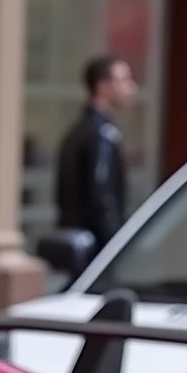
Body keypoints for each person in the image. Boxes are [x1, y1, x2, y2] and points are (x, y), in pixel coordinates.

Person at [50, 52, 137, 277]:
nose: (131, 88)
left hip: (78, 247)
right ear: (103, 86)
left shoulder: (78, 132)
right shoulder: (101, 135)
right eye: (124, 80)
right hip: (94, 250)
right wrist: (114, 249)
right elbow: (102, 198)